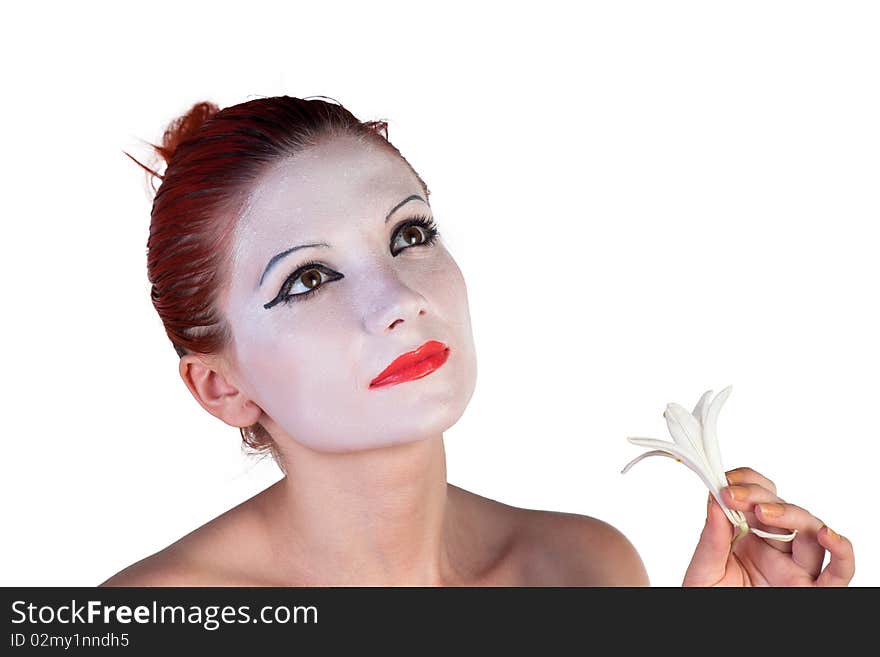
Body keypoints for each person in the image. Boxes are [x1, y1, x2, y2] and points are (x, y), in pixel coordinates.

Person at [100, 95, 854, 587]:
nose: (399, 299)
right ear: (221, 386)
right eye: (308, 279)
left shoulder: (583, 569)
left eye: (410, 234)